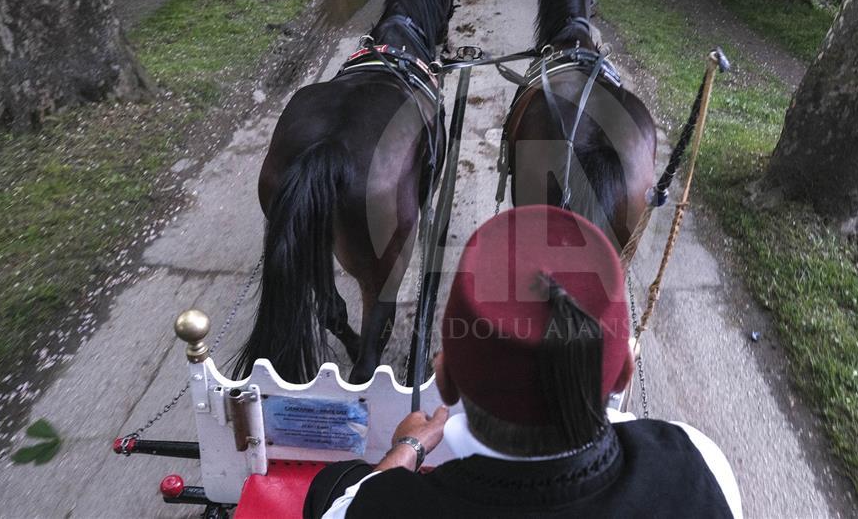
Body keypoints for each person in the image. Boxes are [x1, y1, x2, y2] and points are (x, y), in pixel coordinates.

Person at [304, 205, 742, 518]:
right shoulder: (697, 462)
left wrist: (408, 449)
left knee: (332, 484)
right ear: (624, 373)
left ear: (446, 378)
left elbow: (348, 504)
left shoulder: (376, 508)